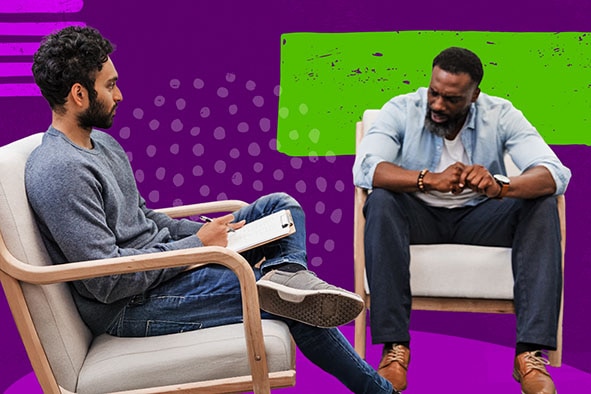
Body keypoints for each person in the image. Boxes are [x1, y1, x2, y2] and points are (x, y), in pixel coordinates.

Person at [25, 26, 399, 394]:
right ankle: (378, 389)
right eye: (109, 85)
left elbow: (143, 217)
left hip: (162, 270)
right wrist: (198, 248)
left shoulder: (101, 145)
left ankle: (287, 275)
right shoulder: (60, 170)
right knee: (283, 302)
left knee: (280, 206)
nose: (119, 94)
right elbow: (107, 282)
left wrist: (208, 233)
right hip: (132, 304)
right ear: (78, 94)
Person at [353, 46, 570, 394]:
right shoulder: (401, 110)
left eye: (451, 99)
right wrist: (427, 179)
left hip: (480, 215)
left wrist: (502, 186)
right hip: (417, 214)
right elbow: (365, 168)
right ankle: (394, 350)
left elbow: (555, 173)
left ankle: (529, 354)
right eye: (434, 93)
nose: (438, 105)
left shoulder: (501, 114)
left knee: (542, 204)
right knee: (381, 202)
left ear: (474, 95)